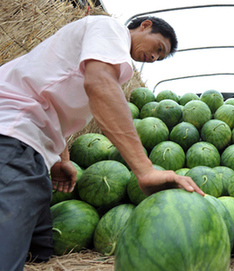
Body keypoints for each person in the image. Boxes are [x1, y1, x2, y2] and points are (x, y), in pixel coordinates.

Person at [0, 15, 204, 270]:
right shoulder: (110, 29)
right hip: (11, 132)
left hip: (32, 146)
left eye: (158, 58)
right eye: (157, 49)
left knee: (41, 248)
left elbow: (54, 106)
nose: (153, 58)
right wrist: (145, 170)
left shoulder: (102, 57)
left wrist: (61, 160)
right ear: (145, 25)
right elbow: (99, 85)